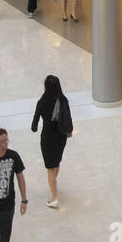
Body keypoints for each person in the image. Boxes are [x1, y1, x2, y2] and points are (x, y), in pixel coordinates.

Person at [31, 74, 72, 208]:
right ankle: (53, 184)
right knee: (56, 163)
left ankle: (54, 197)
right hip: (60, 136)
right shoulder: (63, 100)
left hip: (47, 136)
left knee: (49, 167)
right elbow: (68, 117)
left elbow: (34, 126)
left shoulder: (41, 102)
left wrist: (36, 126)